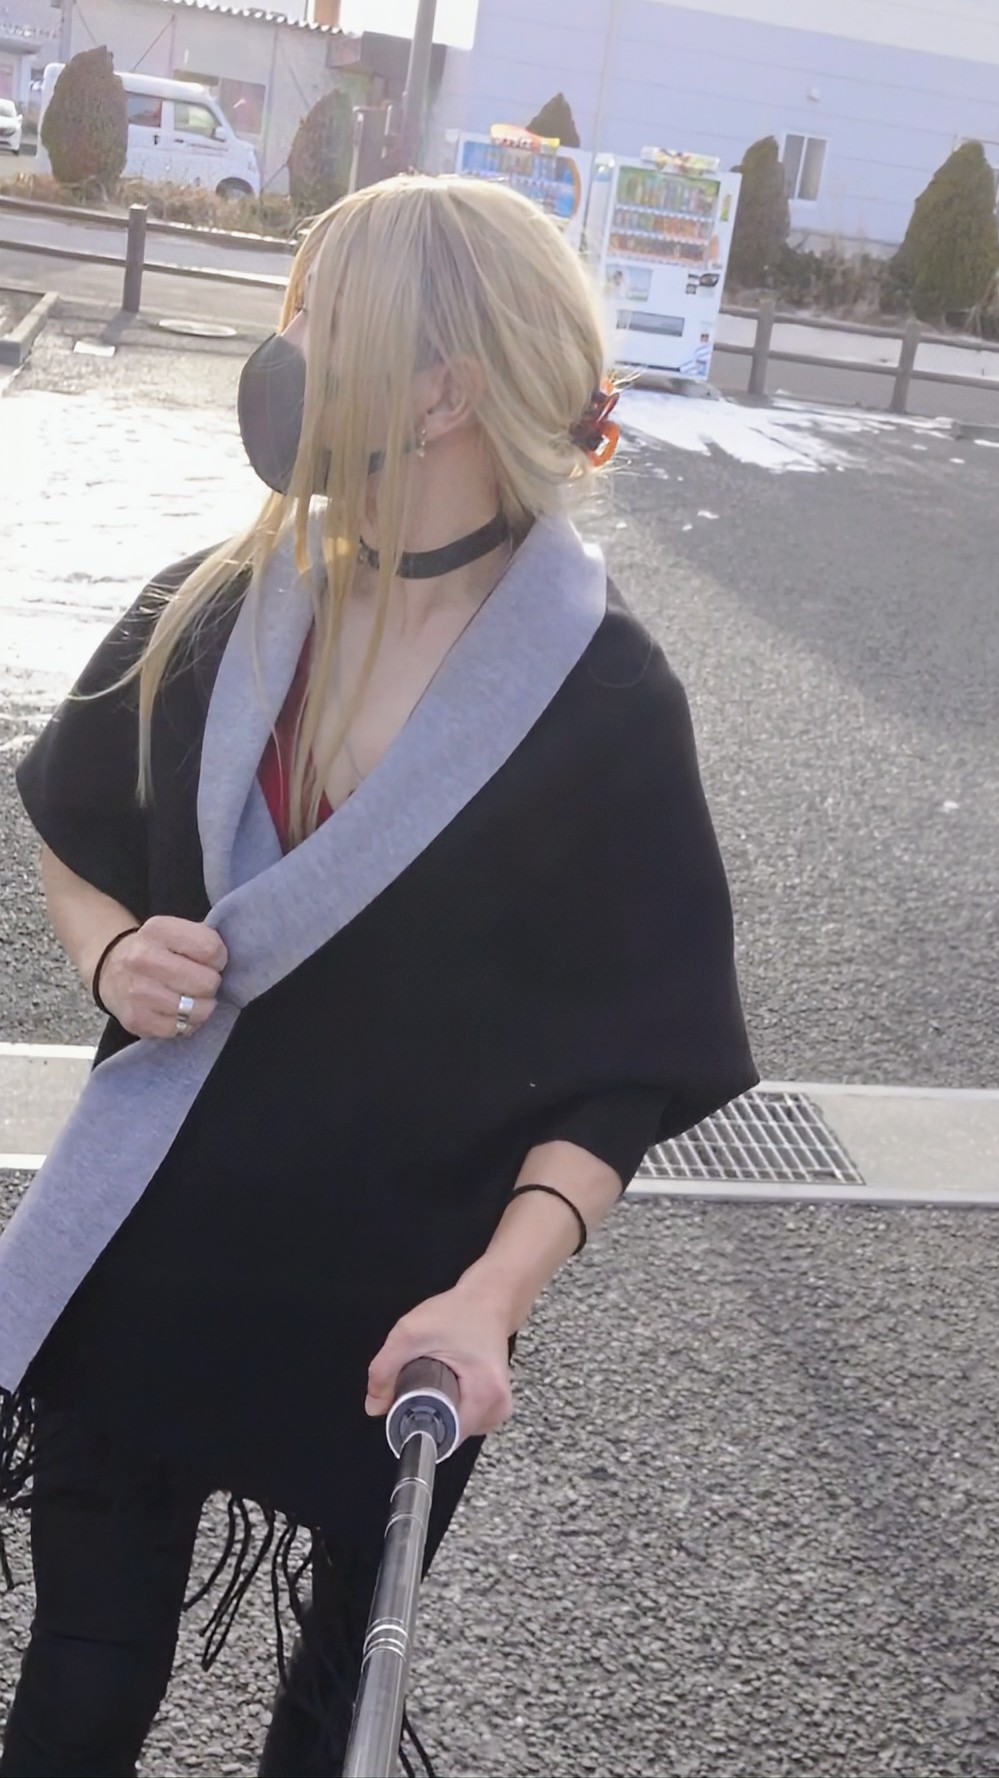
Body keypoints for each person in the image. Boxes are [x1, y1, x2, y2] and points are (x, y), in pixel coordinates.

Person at [0, 174, 757, 1777]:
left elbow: (626, 1065)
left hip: (397, 1308)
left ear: (443, 391)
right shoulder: (218, 605)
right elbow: (66, 816)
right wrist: (112, 948)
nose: (283, 353)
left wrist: (493, 1300)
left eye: (321, 321)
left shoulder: (603, 698)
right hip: (146, 1248)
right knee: (74, 1702)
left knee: (328, 1727)